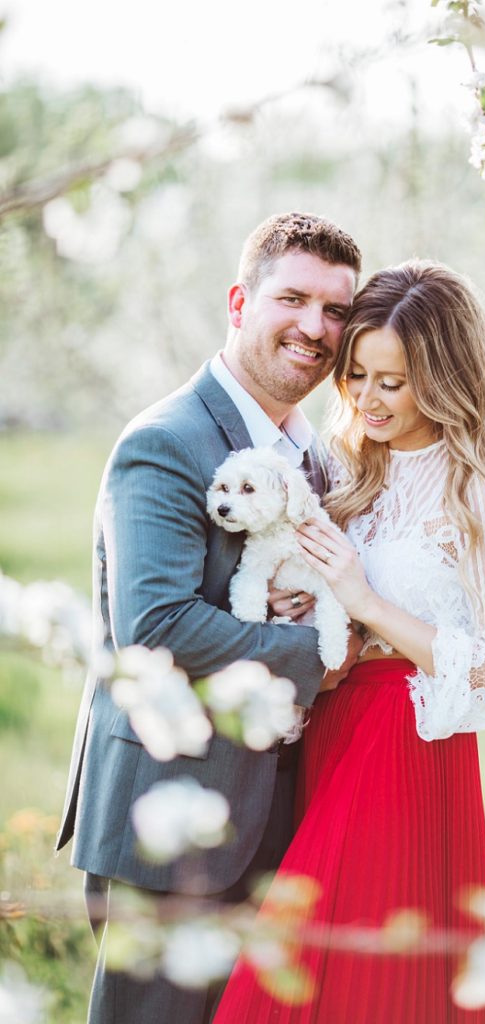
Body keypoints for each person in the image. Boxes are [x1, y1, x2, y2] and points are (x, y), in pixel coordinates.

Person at [214, 259, 485, 1023]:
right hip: (328, 733)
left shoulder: (482, 484)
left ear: (441, 376)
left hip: (403, 751)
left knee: (329, 974)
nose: (367, 398)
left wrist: (365, 603)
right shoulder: (344, 465)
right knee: (325, 972)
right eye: (357, 374)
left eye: (392, 382)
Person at [55, 211, 364, 1024]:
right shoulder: (166, 442)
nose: (315, 327)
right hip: (174, 818)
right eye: (292, 299)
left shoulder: (322, 458)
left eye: (335, 310)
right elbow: (155, 627)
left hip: (289, 817)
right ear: (238, 301)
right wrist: (319, 652)